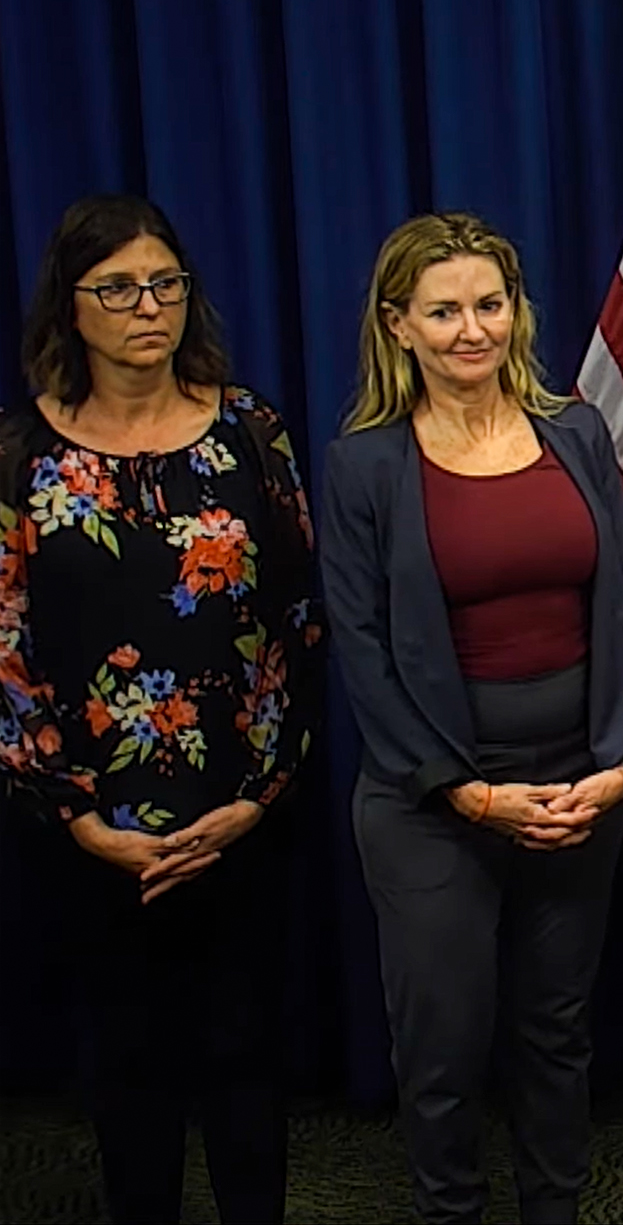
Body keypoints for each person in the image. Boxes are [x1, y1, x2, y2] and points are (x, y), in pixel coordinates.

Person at [321, 214, 623, 1225]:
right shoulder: (366, 465)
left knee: (557, 1033)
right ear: (398, 325)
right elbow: (361, 647)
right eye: (444, 311)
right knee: (445, 1045)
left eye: (490, 305)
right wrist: (466, 793)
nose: (473, 330)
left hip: (579, 788)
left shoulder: (576, 433)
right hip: (434, 804)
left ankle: (555, 1208)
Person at [0, 196, 322, 1225]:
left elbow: (298, 619)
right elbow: (7, 646)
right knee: (128, 1067)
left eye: (165, 284)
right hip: (91, 830)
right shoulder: (20, 456)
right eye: (118, 289)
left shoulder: (250, 432)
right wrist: (77, 815)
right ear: (70, 305)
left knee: (244, 1057)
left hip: (239, 817)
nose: (148, 307)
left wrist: (258, 795)